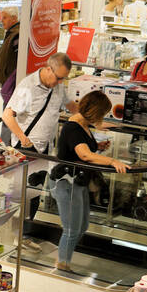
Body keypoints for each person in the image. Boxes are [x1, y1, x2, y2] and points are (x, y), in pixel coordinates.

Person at [50, 91, 128, 272]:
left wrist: (98, 146)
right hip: (67, 183)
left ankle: (64, 260)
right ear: (95, 112)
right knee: (71, 229)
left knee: (82, 225)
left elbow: (83, 149)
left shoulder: (82, 124)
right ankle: (62, 263)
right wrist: (112, 161)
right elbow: (84, 154)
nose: (102, 118)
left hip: (78, 182)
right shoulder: (74, 128)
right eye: (101, 114)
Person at [2, 53, 76, 154]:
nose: (60, 82)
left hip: (46, 147)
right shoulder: (28, 86)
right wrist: (24, 140)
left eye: (64, 78)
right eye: (58, 78)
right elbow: (7, 115)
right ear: (49, 69)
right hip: (27, 147)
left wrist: (93, 121)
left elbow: (71, 106)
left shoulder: (59, 87)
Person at [0, 7, 21, 106]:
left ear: (14, 18)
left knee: (8, 108)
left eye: (5, 17)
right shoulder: (11, 33)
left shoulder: (16, 35)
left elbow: (18, 58)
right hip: (8, 79)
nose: (1, 20)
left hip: (11, 80)